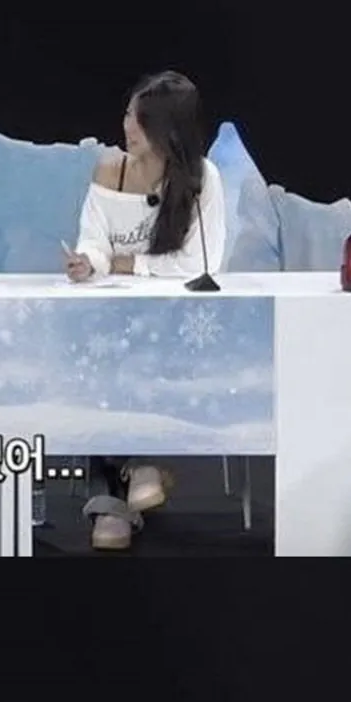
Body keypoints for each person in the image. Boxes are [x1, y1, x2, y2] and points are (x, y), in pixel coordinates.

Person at [63, 72, 227, 551]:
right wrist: (87, 262)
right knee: (95, 359)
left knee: (132, 354)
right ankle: (137, 470)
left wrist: (124, 263)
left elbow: (199, 264)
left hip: (172, 321)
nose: (127, 126)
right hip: (110, 315)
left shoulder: (202, 180)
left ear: (168, 128)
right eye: (127, 114)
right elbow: (94, 242)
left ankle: (122, 488)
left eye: (139, 118)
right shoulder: (108, 171)